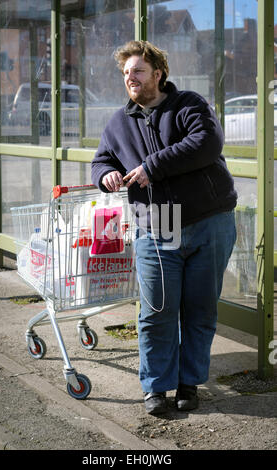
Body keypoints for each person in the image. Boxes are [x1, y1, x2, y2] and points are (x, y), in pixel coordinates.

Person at [91, 40, 237, 415]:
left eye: (137, 71)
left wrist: (153, 167)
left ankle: (189, 383)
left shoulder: (189, 104)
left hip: (209, 219)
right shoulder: (118, 123)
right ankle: (155, 386)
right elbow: (101, 159)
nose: (131, 78)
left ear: (158, 73)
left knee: (200, 309)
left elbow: (207, 142)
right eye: (126, 74)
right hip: (159, 226)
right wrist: (105, 174)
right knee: (156, 310)